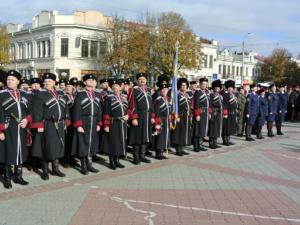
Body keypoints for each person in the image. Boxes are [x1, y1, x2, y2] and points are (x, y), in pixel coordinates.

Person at [31, 73, 71, 180]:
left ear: (54, 82)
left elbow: (65, 107)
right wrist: (39, 125)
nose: (47, 83)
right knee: (46, 147)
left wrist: (66, 121)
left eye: (49, 81)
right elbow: (37, 110)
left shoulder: (60, 93)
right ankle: (45, 171)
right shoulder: (40, 94)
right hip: (47, 124)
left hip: (60, 123)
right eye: (45, 81)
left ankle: (55, 169)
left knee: (57, 146)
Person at [0, 70, 32, 188]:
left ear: (18, 81)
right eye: (8, 79)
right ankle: (7, 179)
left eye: (12, 80)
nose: (9, 81)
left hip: (21, 127)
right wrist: (0, 130)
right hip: (8, 127)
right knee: (8, 152)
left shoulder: (24, 94)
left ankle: (18, 176)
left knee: (20, 152)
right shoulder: (2, 94)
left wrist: (27, 119)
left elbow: (30, 110)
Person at [72, 74, 102, 175]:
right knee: (83, 144)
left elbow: (99, 110)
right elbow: (76, 111)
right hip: (84, 121)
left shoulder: (97, 94)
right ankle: (83, 165)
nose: (91, 81)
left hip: (94, 122)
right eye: (89, 80)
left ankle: (90, 164)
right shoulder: (80, 94)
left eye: (93, 80)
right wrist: (78, 125)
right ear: (84, 82)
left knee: (91, 143)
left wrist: (99, 123)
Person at [102, 79, 129, 169]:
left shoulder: (124, 97)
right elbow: (106, 113)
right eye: (113, 85)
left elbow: (128, 109)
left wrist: (128, 115)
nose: (115, 87)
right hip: (113, 122)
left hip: (122, 123)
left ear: (120, 87)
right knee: (113, 142)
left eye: (117, 85)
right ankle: (111, 161)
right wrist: (106, 125)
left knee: (121, 142)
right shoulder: (108, 98)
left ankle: (117, 160)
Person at [127, 72, 153, 164]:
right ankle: (136, 157)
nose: (142, 80)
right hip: (139, 116)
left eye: (143, 79)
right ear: (137, 81)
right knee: (137, 137)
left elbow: (151, 104)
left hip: (147, 116)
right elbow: (131, 104)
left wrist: (152, 116)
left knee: (145, 136)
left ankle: (143, 155)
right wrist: (134, 117)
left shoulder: (148, 90)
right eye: (140, 79)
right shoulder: (133, 90)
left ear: (146, 80)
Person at [171, 78, 192, 156]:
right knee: (179, 133)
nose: (184, 86)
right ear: (179, 86)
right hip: (180, 116)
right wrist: (176, 115)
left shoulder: (187, 95)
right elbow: (174, 106)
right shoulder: (177, 95)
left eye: (185, 85)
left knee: (184, 133)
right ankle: (178, 150)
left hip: (186, 116)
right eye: (182, 85)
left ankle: (182, 148)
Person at [152, 80, 171, 159]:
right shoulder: (158, 100)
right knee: (160, 137)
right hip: (160, 120)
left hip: (166, 120)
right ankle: (158, 153)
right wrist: (157, 123)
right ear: (160, 91)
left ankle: (162, 151)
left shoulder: (168, 99)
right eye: (162, 90)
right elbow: (156, 112)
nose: (164, 91)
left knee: (165, 136)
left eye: (166, 89)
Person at [193, 77, 210, 152]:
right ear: (200, 84)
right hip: (200, 113)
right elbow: (196, 104)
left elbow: (208, 104)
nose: (204, 85)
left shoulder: (206, 92)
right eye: (203, 84)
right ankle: (196, 146)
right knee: (198, 130)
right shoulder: (198, 92)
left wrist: (209, 112)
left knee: (202, 130)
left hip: (205, 114)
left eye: (206, 84)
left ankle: (200, 144)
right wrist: (197, 114)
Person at [208, 79, 223, 149]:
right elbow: (210, 105)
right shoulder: (211, 95)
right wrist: (210, 113)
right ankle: (211, 143)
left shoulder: (220, 96)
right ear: (214, 88)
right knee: (212, 128)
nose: (217, 89)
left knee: (217, 128)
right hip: (213, 113)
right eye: (216, 87)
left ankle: (215, 142)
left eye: (218, 88)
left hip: (218, 114)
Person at [222, 80, 237, 145]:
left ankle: (228, 139)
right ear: (227, 88)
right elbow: (224, 105)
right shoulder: (225, 95)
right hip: (227, 113)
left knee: (230, 127)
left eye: (232, 88)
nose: (231, 90)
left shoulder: (232, 95)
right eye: (230, 89)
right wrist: (225, 113)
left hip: (232, 113)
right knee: (226, 127)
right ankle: (225, 140)